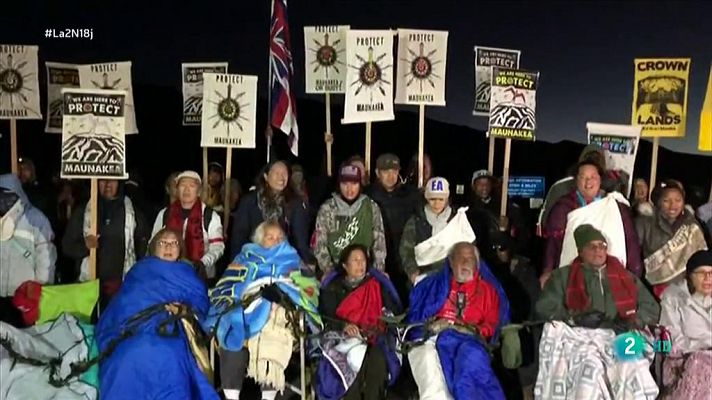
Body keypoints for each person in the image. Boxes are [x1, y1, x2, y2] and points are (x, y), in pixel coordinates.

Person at [535, 224, 660, 399]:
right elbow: (544, 307)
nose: (598, 251)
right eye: (592, 247)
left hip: (619, 334)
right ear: (580, 251)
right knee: (591, 368)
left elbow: (651, 307)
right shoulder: (563, 276)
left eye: (602, 246)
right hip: (580, 338)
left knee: (634, 365)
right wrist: (574, 318)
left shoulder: (625, 276)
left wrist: (632, 321)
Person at [96, 229, 218, 400]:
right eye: (163, 242)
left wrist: (183, 310)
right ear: (154, 248)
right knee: (124, 358)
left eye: (174, 243)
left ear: (180, 248)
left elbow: (201, 305)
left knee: (170, 358)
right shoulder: (140, 270)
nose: (168, 247)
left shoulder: (187, 272)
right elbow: (124, 301)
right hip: (133, 328)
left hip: (170, 329)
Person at [205, 221, 320, 400]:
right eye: (270, 237)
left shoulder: (293, 259)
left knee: (274, 326)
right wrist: (251, 292)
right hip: (245, 309)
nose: (275, 241)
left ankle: (268, 397)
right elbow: (226, 286)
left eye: (279, 238)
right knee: (231, 325)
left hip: (280, 313)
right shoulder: (244, 257)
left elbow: (310, 289)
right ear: (259, 240)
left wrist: (284, 292)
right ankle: (231, 396)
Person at [407, 242, 510, 400]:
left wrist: (468, 329)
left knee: (467, 367)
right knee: (445, 379)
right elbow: (418, 319)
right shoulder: (437, 287)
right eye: (460, 258)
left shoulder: (488, 292)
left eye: (470, 259)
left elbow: (491, 326)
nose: (465, 262)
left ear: (477, 264)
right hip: (442, 342)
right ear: (451, 262)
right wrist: (433, 325)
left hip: (472, 343)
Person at [317, 244, 402, 400]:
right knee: (354, 358)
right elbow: (326, 315)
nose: (360, 264)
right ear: (345, 265)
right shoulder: (334, 287)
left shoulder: (377, 284)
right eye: (355, 260)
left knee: (378, 359)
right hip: (344, 338)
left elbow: (391, 311)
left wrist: (384, 321)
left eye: (363, 260)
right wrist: (344, 326)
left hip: (374, 337)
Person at [541, 160, 641, 287]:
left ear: (600, 179)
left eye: (593, 177)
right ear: (576, 180)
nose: (588, 182)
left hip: (611, 276)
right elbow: (553, 242)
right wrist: (548, 270)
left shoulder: (615, 206)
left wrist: (634, 273)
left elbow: (630, 240)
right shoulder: (564, 206)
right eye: (583, 177)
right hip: (573, 274)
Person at [63, 179, 148, 309]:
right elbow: (67, 246)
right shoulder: (83, 211)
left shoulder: (134, 212)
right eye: (102, 180)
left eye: (112, 180)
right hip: (88, 286)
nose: (108, 184)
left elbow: (143, 249)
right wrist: (85, 246)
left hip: (122, 288)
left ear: (119, 183)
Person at [230, 160, 314, 267]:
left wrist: (306, 264)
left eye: (284, 174)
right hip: (253, 262)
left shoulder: (295, 204)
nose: (281, 177)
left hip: (285, 262)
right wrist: (236, 263)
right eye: (277, 173)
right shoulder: (249, 201)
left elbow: (300, 240)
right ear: (266, 176)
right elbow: (239, 236)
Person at [487, 231, 540, 400]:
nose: (498, 252)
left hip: (524, 328)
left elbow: (534, 302)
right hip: (499, 332)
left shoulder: (525, 269)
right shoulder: (489, 273)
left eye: (501, 248)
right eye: (493, 248)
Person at [0, 174, 56, 325]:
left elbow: (46, 257)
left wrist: (41, 289)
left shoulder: (36, 219)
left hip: (24, 296)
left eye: (6, 195)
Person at [636, 180, 708, 298]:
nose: (673, 205)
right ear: (658, 202)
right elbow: (635, 257)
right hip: (653, 289)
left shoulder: (692, 224)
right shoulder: (645, 222)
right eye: (666, 200)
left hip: (688, 289)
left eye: (678, 200)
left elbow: (702, 258)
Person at [313, 165, 387, 277]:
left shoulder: (371, 207)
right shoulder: (327, 208)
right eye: (345, 184)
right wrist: (329, 271)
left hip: (364, 271)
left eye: (354, 184)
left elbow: (379, 243)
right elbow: (319, 244)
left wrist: (378, 271)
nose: (349, 189)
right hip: (336, 271)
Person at [658, 250, 712, 400]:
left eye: (711, 273)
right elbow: (669, 340)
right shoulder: (673, 297)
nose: (708, 278)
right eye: (702, 273)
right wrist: (703, 346)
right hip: (682, 361)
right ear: (690, 276)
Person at [152, 171, 224, 280]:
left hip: (201, 276)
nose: (186, 190)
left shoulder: (210, 216)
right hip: (168, 275)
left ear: (199, 191)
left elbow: (218, 246)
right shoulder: (165, 214)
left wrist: (202, 263)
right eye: (182, 185)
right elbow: (153, 243)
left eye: (191, 186)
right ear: (177, 189)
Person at [366, 153, 418, 301]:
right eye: (386, 171)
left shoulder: (410, 195)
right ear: (377, 173)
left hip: (403, 261)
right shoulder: (368, 195)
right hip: (377, 261)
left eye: (394, 171)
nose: (390, 176)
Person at [400, 177, 455, 283]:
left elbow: (467, 248)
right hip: (422, 276)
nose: (437, 203)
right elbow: (406, 251)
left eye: (441, 199)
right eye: (432, 199)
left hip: (451, 278)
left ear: (447, 199)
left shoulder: (456, 220)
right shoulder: (416, 221)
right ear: (426, 198)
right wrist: (413, 272)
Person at [467, 169, 529, 256]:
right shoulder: (466, 210)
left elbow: (522, 239)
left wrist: (508, 230)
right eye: (480, 184)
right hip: (475, 257)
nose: (484, 187)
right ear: (473, 186)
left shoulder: (507, 208)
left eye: (487, 184)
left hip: (498, 260)